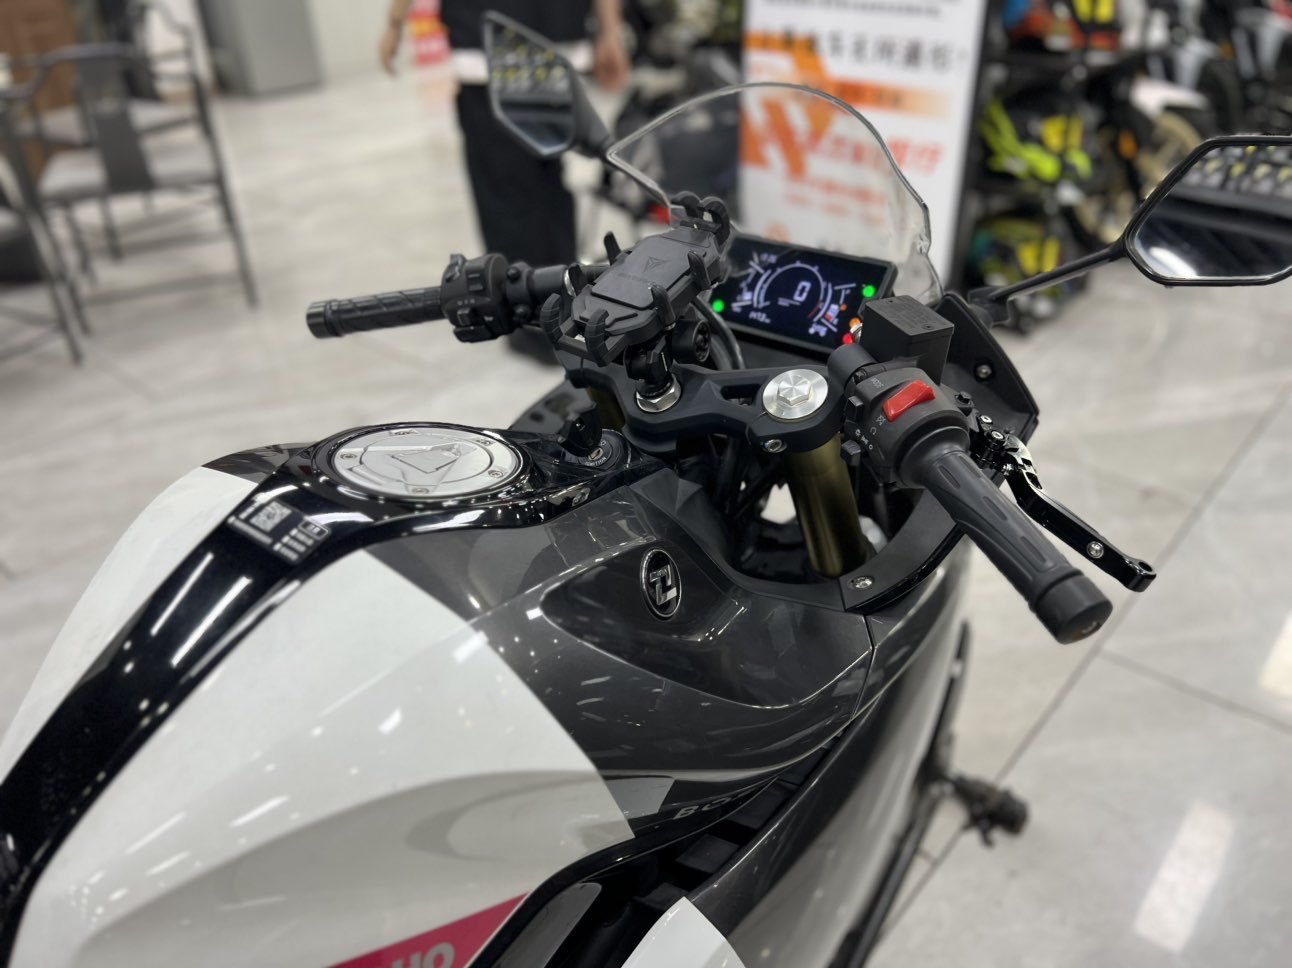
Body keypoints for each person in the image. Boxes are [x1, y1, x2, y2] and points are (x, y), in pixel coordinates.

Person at [380, 0, 629, 268]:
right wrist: (610, 30)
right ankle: (563, 283)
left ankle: (526, 287)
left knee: (507, 203)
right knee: (550, 190)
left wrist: (395, 22)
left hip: (488, 49)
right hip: (554, 43)